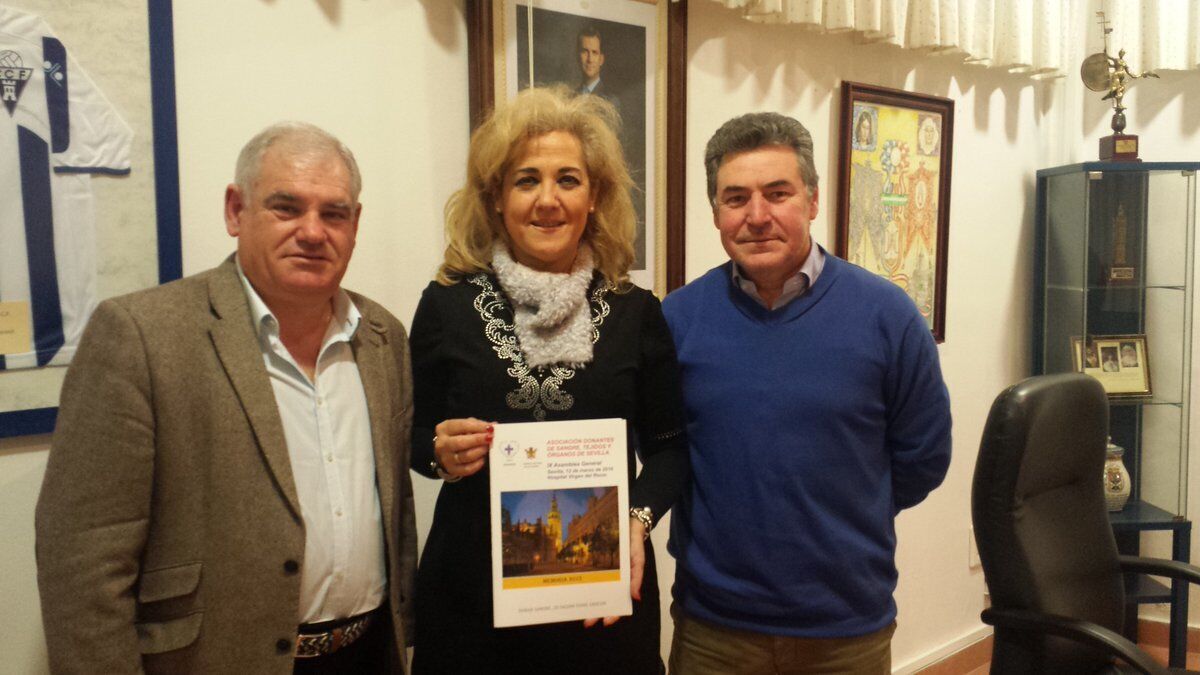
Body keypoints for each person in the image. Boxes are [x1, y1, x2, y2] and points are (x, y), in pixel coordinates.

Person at [34, 122, 416, 674]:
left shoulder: (382, 336)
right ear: (236, 210)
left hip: (366, 655)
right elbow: (83, 561)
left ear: (354, 224)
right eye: (287, 208)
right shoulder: (140, 335)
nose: (313, 232)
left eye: (334, 214)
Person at [409, 86, 688, 674]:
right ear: (496, 198)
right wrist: (439, 451)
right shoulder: (446, 306)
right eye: (526, 180)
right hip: (471, 612)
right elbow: (411, 438)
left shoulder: (636, 312)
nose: (548, 200)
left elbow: (670, 448)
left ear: (594, 196)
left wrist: (637, 522)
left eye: (568, 180)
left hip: (602, 607)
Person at [662, 112, 952, 674]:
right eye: (736, 198)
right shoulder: (678, 319)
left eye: (778, 193)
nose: (757, 216)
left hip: (845, 632)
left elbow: (924, 456)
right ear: (716, 212)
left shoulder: (887, 316)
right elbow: (663, 451)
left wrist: (842, 514)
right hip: (714, 632)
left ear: (813, 200)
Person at [576, 24, 607, 97]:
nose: (590, 59)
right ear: (577, 56)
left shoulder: (610, 100)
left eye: (594, 52)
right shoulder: (570, 97)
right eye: (585, 52)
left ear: (601, 59)